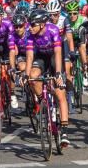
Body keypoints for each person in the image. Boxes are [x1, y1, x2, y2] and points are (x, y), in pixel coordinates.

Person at [23, 9, 70, 147]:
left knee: (60, 93)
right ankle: (42, 101)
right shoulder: (30, 35)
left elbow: (57, 52)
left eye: (33, 24)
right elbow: (30, 56)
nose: (30, 27)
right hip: (41, 58)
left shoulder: (53, 30)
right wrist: (26, 75)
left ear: (42, 25)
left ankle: (65, 130)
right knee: (32, 76)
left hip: (54, 57)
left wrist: (58, 74)